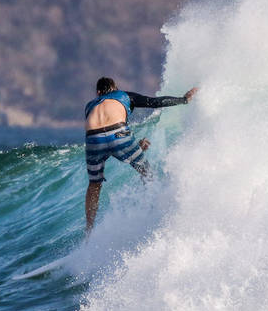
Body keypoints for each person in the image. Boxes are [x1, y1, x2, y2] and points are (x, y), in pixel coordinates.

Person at [83, 76, 198, 231]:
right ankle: (157, 212)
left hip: (93, 140)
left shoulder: (90, 106)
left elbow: (104, 134)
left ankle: (89, 229)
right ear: (115, 88)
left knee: (94, 185)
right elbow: (155, 102)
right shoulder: (124, 96)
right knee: (146, 171)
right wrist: (184, 99)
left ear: (98, 93)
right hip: (119, 135)